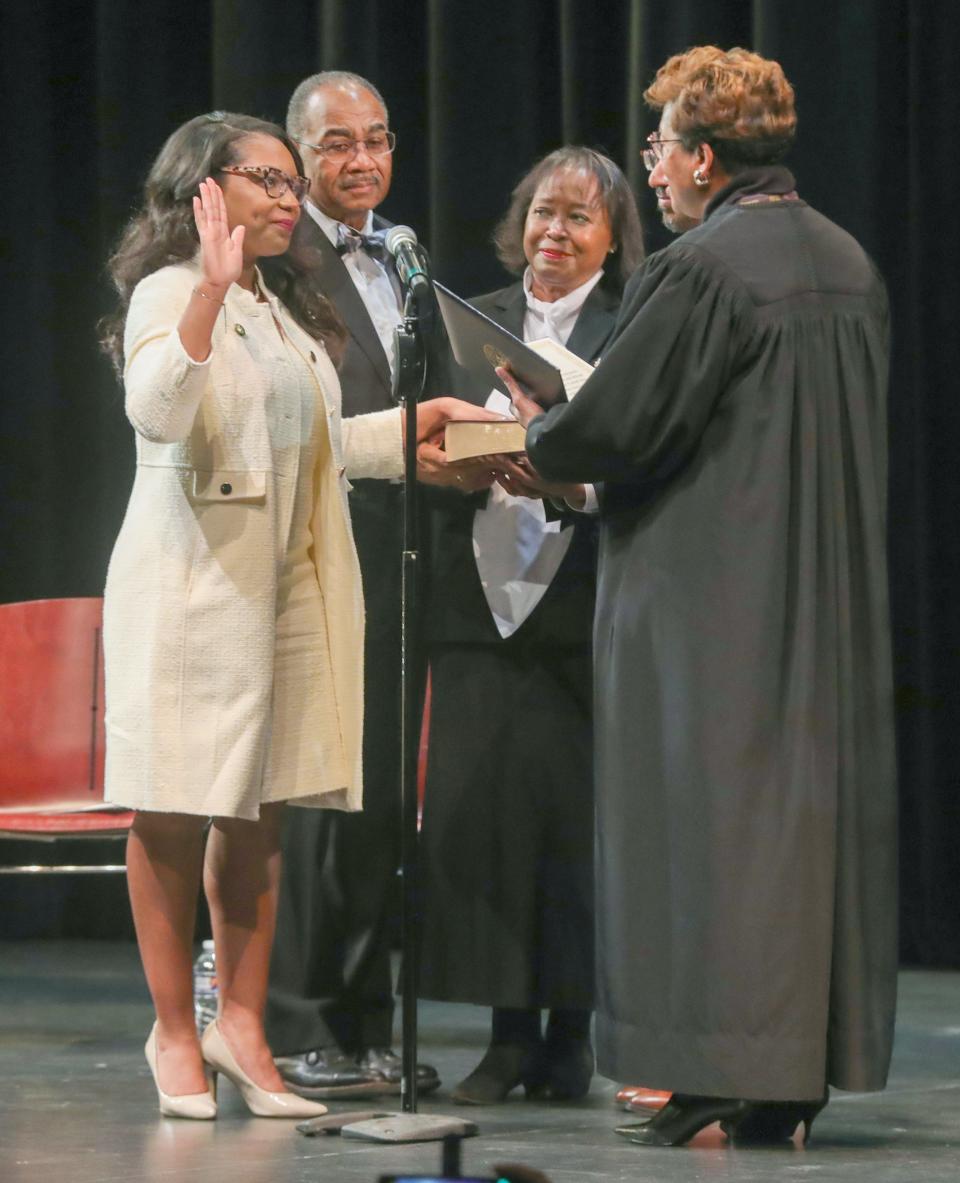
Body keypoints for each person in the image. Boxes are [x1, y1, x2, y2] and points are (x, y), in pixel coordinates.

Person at [502, 46, 897, 1146]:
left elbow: (616, 427)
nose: (654, 171)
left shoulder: (704, 268)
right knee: (792, 830)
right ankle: (787, 1073)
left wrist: (538, 428)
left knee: (705, 827)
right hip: (824, 595)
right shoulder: (847, 260)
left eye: (660, 149)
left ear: (704, 156)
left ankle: (715, 1066)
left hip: (707, 594)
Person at [100, 111, 483, 1119]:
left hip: (278, 591)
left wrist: (410, 431)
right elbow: (157, 410)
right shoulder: (173, 291)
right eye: (263, 178)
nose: (285, 196)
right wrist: (211, 293)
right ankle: (175, 1029)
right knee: (176, 806)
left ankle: (245, 1025)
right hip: (192, 591)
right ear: (204, 189)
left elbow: (313, 443)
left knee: (260, 810)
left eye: (285, 180)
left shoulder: (279, 306)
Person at [415, 148, 644, 1105]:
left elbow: (646, 453)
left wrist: (570, 475)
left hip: (581, 598)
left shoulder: (636, 324)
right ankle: (505, 1037)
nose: (555, 233)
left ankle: (569, 1037)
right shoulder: (470, 318)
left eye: (578, 220)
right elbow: (419, 434)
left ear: (611, 239)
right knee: (488, 830)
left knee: (569, 829)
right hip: (477, 599)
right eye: (544, 213)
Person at [266, 70, 455, 1099]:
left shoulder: (404, 254)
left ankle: (367, 1017)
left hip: (400, 544)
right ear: (298, 159)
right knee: (316, 791)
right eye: (339, 144)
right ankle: (298, 1017)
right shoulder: (275, 260)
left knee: (381, 796)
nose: (364, 161)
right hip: (309, 546)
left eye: (377, 140)